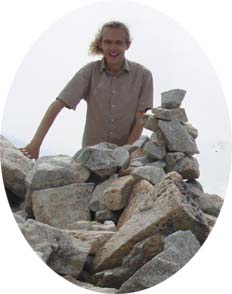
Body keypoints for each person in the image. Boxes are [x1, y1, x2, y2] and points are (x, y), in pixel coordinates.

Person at [20, 21, 153, 160]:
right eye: (108, 42)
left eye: (118, 42)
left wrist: (125, 156)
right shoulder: (89, 72)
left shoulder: (143, 76)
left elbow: (141, 120)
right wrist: (35, 144)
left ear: (127, 45)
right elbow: (57, 105)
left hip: (125, 158)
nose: (113, 47)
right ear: (101, 44)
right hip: (90, 159)